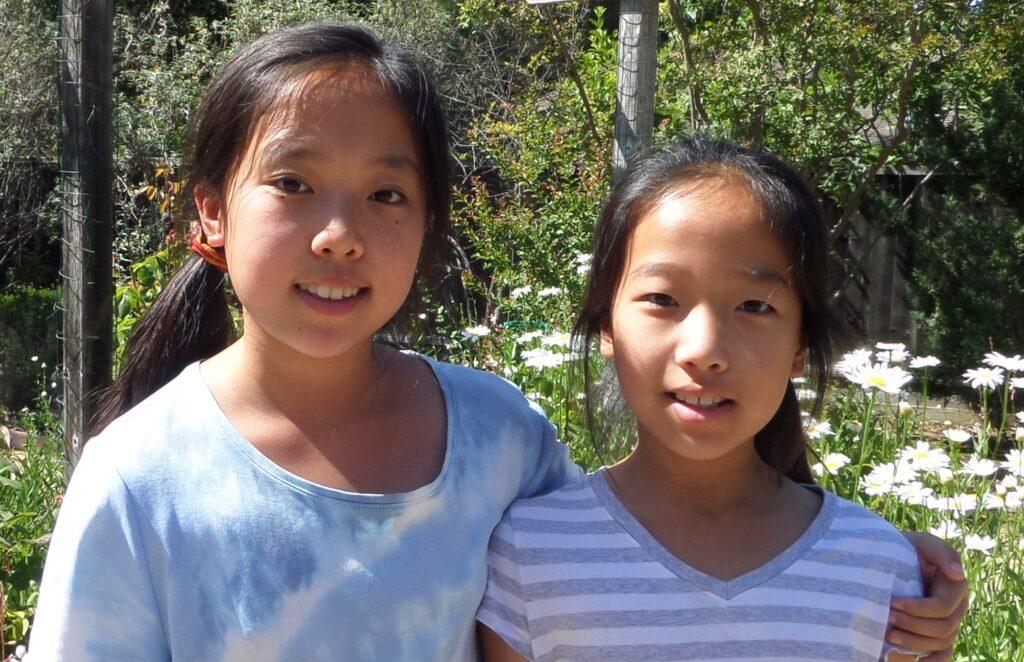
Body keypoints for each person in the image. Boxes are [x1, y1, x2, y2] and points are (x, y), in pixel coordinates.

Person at [29, 25, 963, 661]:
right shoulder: (137, 481)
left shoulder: (496, 437)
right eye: (293, 183)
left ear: (429, 220)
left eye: (386, 194)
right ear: (209, 212)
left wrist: (889, 568)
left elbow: (635, 559)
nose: (340, 233)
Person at [477, 136, 966, 661]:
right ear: (606, 325)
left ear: (801, 346)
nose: (705, 350)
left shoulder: (878, 570)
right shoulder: (531, 555)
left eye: (755, 305)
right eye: (662, 299)